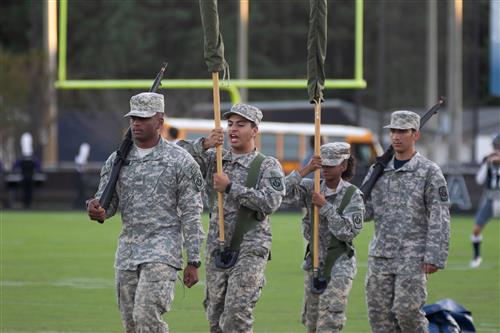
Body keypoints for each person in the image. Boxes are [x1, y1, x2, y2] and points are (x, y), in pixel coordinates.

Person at [86, 92, 204, 333]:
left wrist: (193, 259)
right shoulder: (117, 160)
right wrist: (96, 209)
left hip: (163, 252)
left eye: (143, 118)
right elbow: (107, 204)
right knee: (131, 324)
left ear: (160, 121)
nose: (136, 123)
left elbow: (192, 212)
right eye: (133, 118)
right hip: (128, 253)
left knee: (146, 316)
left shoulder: (180, 161)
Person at [177, 103, 285, 333]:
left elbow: (270, 202)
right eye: (230, 124)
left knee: (236, 313)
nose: (233, 130)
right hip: (217, 247)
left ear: (255, 130)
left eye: (241, 125)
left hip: (250, 248)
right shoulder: (216, 159)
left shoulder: (267, 165)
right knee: (215, 316)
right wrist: (205, 144)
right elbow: (175, 157)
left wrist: (230, 187)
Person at [362, 110, 451, 333]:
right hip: (381, 256)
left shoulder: (429, 171)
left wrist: (434, 256)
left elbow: (439, 216)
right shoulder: (379, 170)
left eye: (402, 131)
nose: (396, 136)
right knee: (379, 317)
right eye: (393, 131)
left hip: (412, 256)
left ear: (415, 135)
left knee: (407, 313)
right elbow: (365, 212)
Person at [283, 142, 364, 333]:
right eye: (323, 164)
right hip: (314, 263)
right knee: (311, 323)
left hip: (339, 265)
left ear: (343, 166)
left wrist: (325, 206)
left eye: (331, 165)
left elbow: (348, 231)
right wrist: (306, 170)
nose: (325, 169)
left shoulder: (352, 195)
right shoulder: (312, 188)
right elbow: (279, 193)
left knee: (329, 323)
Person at [470, 133, 500, 268]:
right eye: (496, 146)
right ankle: (477, 257)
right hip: (491, 199)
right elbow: (479, 179)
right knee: (476, 229)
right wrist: (487, 164)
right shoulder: (488, 159)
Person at [12, 132, 41, 208]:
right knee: (26, 191)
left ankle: (27, 204)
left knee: (28, 191)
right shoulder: (30, 158)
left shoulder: (28, 158)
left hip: (27, 177)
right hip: (26, 177)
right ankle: (26, 204)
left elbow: (15, 166)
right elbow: (38, 167)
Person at [74, 142, 90, 209]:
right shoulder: (80, 159)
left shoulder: (80, 159)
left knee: (82, 193)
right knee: (81, 192)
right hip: (80, 177)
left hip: (81, 177)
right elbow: (81, 167)